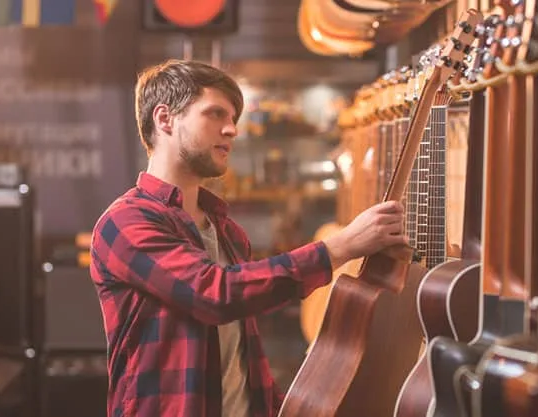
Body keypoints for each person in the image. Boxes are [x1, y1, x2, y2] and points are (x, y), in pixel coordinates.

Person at [89, 59, 407, 417]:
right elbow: (215, 294)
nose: (232, 130)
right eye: (215, 115)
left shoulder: (227, 231)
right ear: (165, 119)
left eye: (234, 120)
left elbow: (243, 353)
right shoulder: (126, 222)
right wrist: (341, 247)